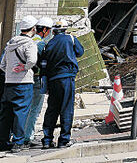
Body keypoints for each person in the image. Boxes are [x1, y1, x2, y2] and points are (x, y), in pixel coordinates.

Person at [41, 21, 83, 149]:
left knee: (52, 109)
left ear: (53, 31)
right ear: (65, 29)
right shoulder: (70, 38)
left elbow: (44, 64)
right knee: (66, 108)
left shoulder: (49, 44)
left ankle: (47, 140)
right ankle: (64, 140)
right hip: (66, 78)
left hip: (53, 79)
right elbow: (80, 52)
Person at [0, 16, 39, 153]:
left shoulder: (10, 43)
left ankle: (3, 141)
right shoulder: (30, 43)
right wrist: (23, 68)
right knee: (21, 113)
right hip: (24, 83)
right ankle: (18, 142)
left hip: (9, 83)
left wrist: (11, 73)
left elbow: (2, 65)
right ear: (33, 29)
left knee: (6, 113)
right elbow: (32, 60)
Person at [23, 17, 53, 147]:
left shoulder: (27, 40)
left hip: (22, 78)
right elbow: (43, 63)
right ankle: (28, 137)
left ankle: (18, 134)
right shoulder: (40, 44)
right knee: (34, 109)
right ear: (45, 30)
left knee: (24, 108)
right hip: (36, 78)